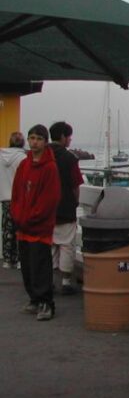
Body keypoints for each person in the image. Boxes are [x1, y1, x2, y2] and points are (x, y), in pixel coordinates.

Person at [11, 124, 61, 321]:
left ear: (45, 142)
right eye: (32, 138)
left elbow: (49, 199)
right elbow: (16, 193)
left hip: (39, 227)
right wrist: (17, 215)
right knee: (27, 265)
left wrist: (31, 217)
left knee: (40, 264)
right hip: (23, 225)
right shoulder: (24, 165)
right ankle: (34, 298)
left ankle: (46, 303)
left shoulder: (50, 167)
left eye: (39, 139)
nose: (34, 142)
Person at [49, 121, 84, 295]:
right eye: (69, 136)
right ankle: (65, 282)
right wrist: (75, 201)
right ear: (63, 136)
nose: (70, 140)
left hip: (44, 209)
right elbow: (75, 184)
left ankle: (48, 281)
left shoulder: (42, 155)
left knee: (49, 245)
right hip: (65, 206)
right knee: (66, 245)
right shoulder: (69, 158)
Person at [0, 131, 26, 269]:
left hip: (5, 198)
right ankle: (20, 260)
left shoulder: (1, 155)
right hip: (20, 198)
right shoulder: (23, 158)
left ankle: (7, 260)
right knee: (20, 229)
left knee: (7, 229)